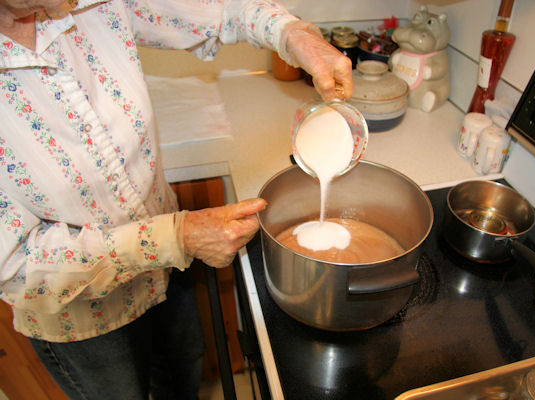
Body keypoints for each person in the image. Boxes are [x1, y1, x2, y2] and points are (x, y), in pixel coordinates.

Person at [0, 0, 353, 398]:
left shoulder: (88, 5)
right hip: (82, 314)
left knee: (182, 372)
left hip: (164, 268)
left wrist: (295, 34)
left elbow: (221, 10)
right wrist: (178, 237)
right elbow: (14, 267)